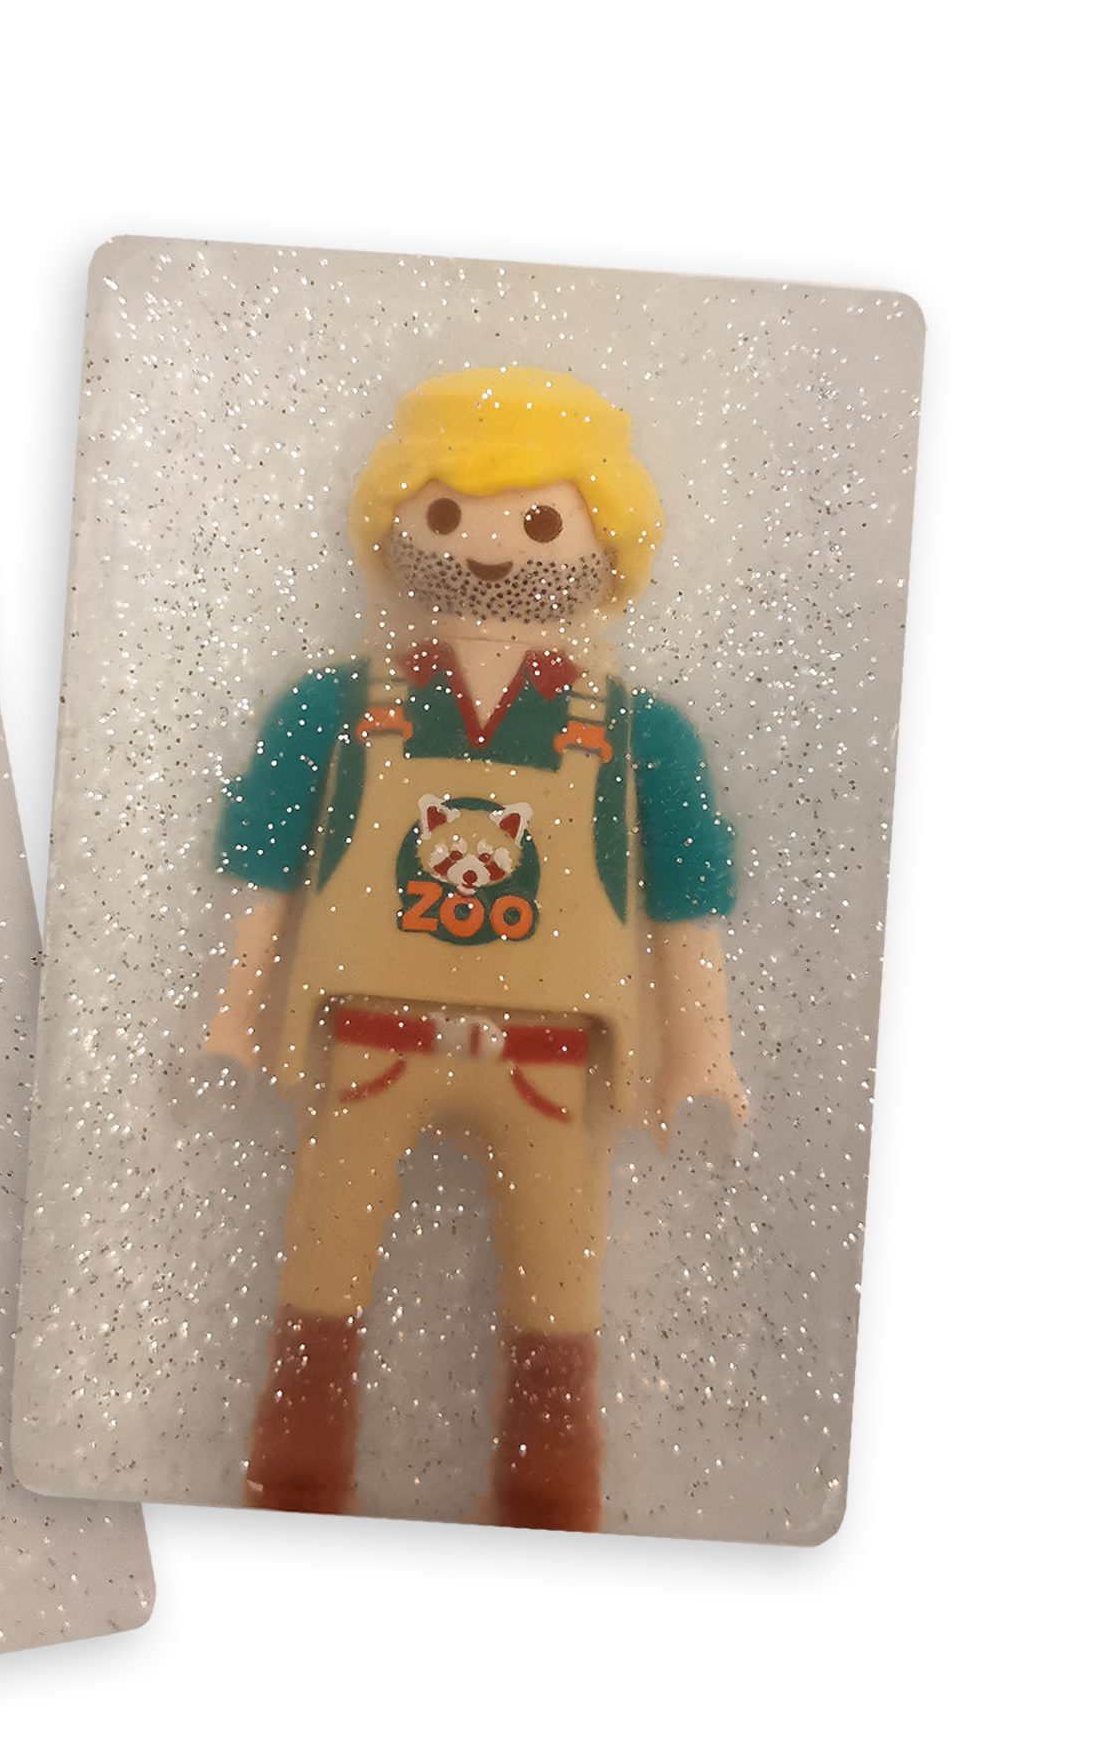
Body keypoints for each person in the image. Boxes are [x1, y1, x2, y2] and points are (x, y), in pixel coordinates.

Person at [205, 368, 746, 1528]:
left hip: (548, 1067)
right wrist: (234, 1012)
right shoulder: (331, 710)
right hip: (370, 1045)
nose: (491, 552)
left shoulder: (638, 732)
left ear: (605, 542)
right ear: (394, 524)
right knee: (320, 1272)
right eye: (449, 512)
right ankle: (292, 1472)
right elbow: (265, 869)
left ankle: (551, 1489)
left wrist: (699, 1046)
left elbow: (682, 901)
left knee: (558, 1291)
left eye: (538, 523)